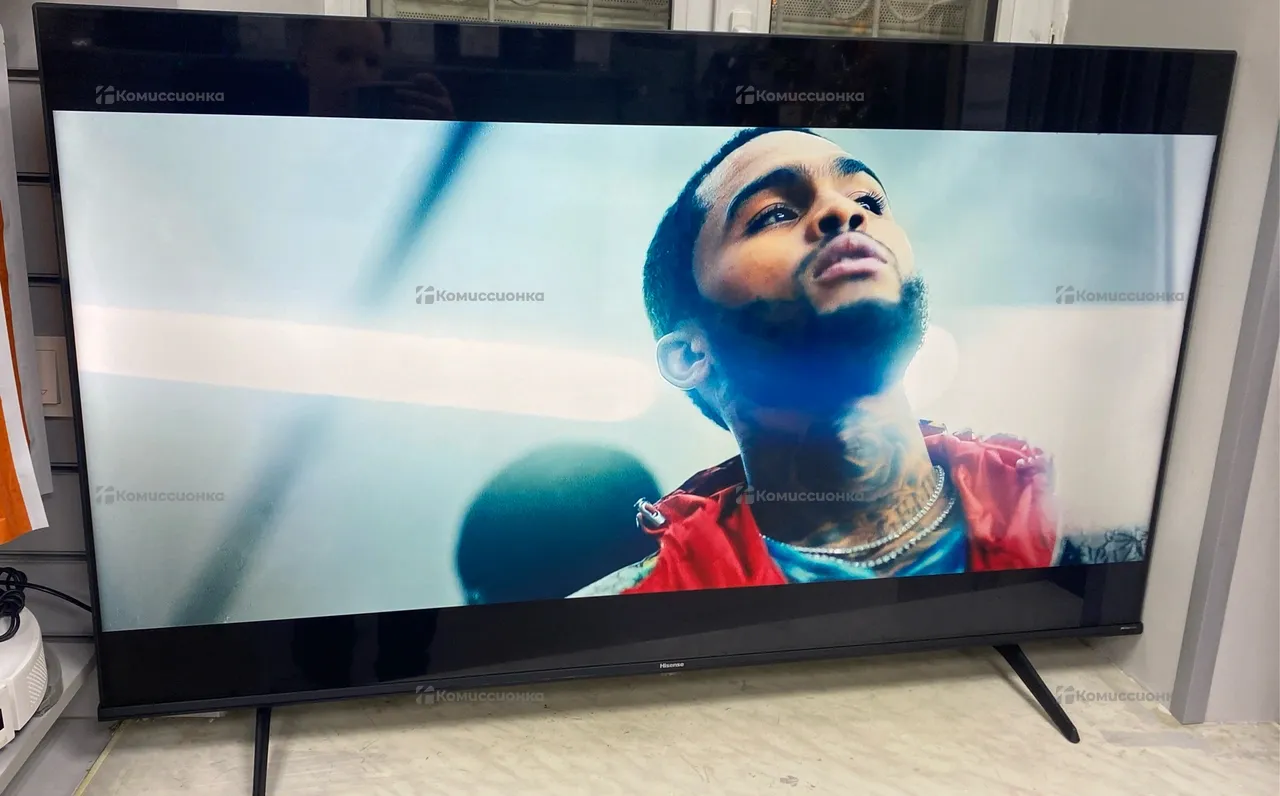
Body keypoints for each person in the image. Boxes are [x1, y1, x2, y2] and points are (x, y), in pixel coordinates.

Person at [574, 127, 1139, 597]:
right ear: (690, 354)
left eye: (868, 202)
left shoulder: (1103, 531)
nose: (842, 210)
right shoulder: (630, 612)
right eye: (773, 213)